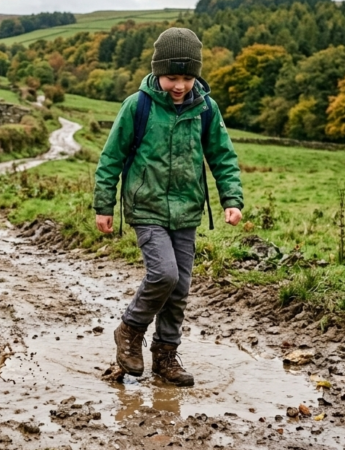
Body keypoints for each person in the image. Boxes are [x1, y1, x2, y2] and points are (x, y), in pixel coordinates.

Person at [93, 27, 244, 387]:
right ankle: (129, 329)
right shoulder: (138, 106)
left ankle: (165, 357)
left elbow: (222, 155)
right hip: (146, 207)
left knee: (179, 290)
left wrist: (232, 199)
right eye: (172, 77)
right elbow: (111, 157)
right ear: (157, 71)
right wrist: (104, 205)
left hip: (187, 210)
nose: (179, 85)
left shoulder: (206, 108)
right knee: (164, 275)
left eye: (187, 77)